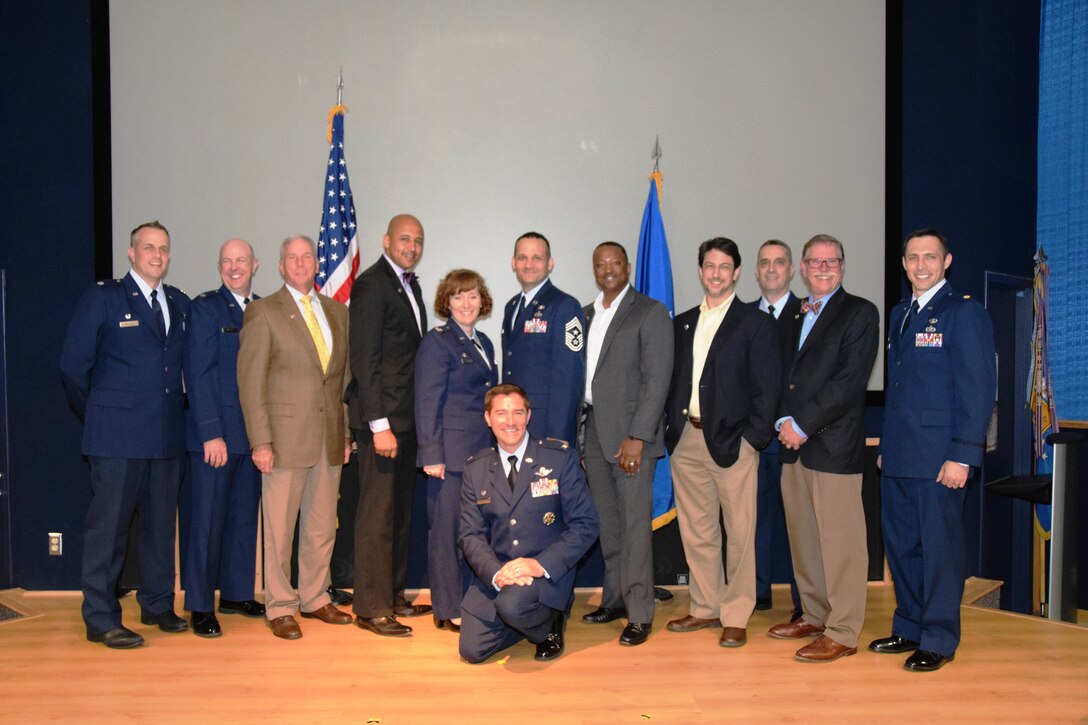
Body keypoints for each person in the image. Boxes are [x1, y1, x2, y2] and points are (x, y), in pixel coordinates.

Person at [60, 220, 191, 648]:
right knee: (109, 531)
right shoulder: (104, 298)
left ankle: (157, 604)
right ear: (132, 254)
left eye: (164, 249)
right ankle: (100, 617)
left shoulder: (178, 301)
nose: (157, 255)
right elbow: (72, 367)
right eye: (149, 247)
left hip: (167, 438)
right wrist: (100, 415)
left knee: (159, 530)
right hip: (116, 439)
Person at [871, 229, 995, 672]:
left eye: (930, 257)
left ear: (947, 261)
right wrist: (887, 445)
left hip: (942, 459)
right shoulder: (902, 312)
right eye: (912, 257)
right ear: (903, 264)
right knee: (902, 547)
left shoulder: (963, 314)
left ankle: (939, 638)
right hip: (902, 455)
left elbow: (978, 390)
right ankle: (909, 626)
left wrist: (963, 455)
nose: (920, 265)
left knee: (940, 552)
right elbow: (900, 389)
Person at [663, 237, 781, 649]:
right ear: (700, 271)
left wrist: (753, 439)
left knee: (740, 531)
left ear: (735, 273)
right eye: (708, 266)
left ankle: (736, 614)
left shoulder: (756, 324)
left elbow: (768, 391)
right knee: (697, 531)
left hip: (734, 444)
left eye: (723, 267)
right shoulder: (681, 323)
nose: (715, 273)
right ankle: (704, 607)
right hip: (686, 441)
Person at [767, 233, 879, 663]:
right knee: (805, 541)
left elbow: (848, 384)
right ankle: (813, 614)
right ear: (803, 267)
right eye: (815, 262)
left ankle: (844, 630)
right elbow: (779, 377)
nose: (824, 268)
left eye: (832, 262)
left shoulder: (860, 314)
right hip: (792, 446)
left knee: (842, 544)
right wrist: (782, 422)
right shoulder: (793, 315)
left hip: (832, 446)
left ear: (843, 266)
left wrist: (803, 424)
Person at [237, 235, 353, 640]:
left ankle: (315, 597)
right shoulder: (263, 312)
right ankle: (281, 605)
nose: (301, 263)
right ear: (281, 266)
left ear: (316, 264)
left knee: (322, 527)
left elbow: (341, 381)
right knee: (280, 530)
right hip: (284, 440)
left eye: (307, 256)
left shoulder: (338, 312)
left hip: (329, 437)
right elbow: (251, 384)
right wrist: (260, 441)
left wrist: (346, 432)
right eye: (292, 258)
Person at [458, 384, 599, 663]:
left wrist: (538, 565)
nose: (510, 422)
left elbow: (585, 524)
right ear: (488, 418)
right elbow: (470, 534)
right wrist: (498, 574)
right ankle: (530, 620)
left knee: (511, 604)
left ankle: (549, 622)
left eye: (517, 413)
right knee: (472, 651)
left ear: (529, 415)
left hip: (545, 573)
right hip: (500, 574)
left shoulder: (558, 458)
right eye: (501, 413)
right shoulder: (476, 469)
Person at [579, 242, 673, 647]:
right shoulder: (584, 314)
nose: (609, 269)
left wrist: (638, 436)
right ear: (595, 269)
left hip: (631, 438)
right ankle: (615, 599)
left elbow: (658, 379)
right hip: (593, 432)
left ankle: (639, 613)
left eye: (616, 263)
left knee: (634, 528)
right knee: (609, 526)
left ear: (628, 266)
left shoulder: (649, 312)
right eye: (601, 264)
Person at [348, 213, 432, 637]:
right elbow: (365, 361)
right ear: (386, 240)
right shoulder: (371, 284)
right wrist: (378, 424)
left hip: (406, 422)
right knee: (377, 516)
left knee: (398, 515)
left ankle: (393, 594)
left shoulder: (409, 286)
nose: (411, 246)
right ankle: (370, 606)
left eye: (418, 240)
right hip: (383, 423)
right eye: (404, 238)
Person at [182, 238, 266, 637]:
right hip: (216, 438)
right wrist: (210, 433)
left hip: (252, 438)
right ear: (219, 268)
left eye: (241, 261)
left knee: (243, 520)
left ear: (255, 264)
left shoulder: (264, 310)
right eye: (227, 262)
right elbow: (197, 374)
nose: (234, 267)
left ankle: (235, 592)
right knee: (206, 522)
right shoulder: (205, 308)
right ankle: (200, 604)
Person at [415, 269, 499, 633]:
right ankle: (446, 608)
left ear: (483, 301)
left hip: (480, 454)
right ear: (446, 302)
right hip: (447, 457)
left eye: (472, 295)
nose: (466, 303)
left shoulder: (484, 342)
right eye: (458, 296)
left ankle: (468, 601)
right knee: (445, 533)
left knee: (471, 533)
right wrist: (431, 454)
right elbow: (427, 400)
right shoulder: (437, 342)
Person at [749, 240, 802, 618]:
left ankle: (806, 602)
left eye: (779, 263)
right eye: (765, 263)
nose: (771, 269)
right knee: (754, 519)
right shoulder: (745, 317)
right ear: (754, 271)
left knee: (801, 524)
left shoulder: (808, 314)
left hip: (797, 437)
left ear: (792, 270)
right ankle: (757, 591)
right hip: (753, 439)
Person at [501, 232, 585, 444]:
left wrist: (557, 436)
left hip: (546, 426)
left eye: (537, 258)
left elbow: (569, 376)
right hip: (514, 424)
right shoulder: (511, 307)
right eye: (522, 257)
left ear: (550, 263)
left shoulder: (565, 306)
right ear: (513, 263)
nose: (529, 264)